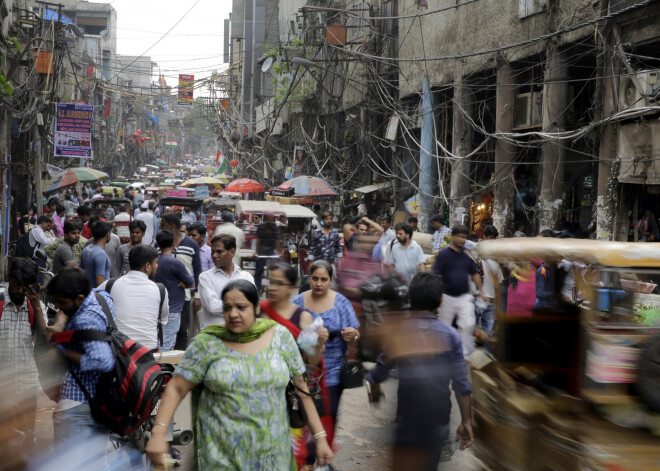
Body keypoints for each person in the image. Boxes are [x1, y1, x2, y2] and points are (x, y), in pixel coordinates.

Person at [145, 280, 334, 470]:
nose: (233, 313)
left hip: (273, 455)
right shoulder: (208, 342)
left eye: (241, 307)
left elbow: (301, 389)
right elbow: (177, 388)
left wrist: (320, 438)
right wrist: (159, 434)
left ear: (257, 307)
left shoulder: (280, 337)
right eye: (227, 308)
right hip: (220, 456)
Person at [366, 272, 473, 470]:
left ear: (410, 299)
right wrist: (466, 421)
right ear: (441, 301)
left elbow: (379, 371)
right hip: (438, 420)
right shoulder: (451, 336)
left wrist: (374, 388)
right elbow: (461, 385)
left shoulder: (400, 331)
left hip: (407, 420)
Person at [260, 262, 332, 469]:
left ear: (291, 287)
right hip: (258, 393)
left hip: (290, 395)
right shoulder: (257, 311)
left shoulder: (302, 317)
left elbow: (312, 363)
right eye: (269, 281)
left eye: (278, 283)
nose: (272, 287)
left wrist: (319, 343)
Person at [46, 267, 116, 462]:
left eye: (62, 303)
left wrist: (65, 352)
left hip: (77, 405)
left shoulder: (85, 319)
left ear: (79, 298)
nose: (59, 307)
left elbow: (104, 361)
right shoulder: (101, 298)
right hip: (97, 404)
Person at [292, 260, 360, 424]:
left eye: (324, 280)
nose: (318, 284)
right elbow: (288, 335)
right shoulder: (298, 303)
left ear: (331, 280)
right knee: (304, 418)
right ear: (309, 279)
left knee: (330, 415)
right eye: (315, 279)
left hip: (333, 373)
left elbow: (356, 332)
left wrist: (353, 335)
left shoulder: (341, 303)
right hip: (304, 371)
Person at [0, 258, 48, 448]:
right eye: (15, 285)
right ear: (9, 279)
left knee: (26, 440)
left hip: (26, 387)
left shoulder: (35, 307)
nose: (20, 291)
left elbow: (47, 340)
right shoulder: (1, 305)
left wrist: (36, 305)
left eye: (25, 287)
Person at [99, 245, 169, 351]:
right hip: (148, 352)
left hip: (119, 350)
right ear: (147, 266)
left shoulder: (109, 284)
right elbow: (163, 319)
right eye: (155, 262)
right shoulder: (160, 290)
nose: (157, 266)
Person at [431, 224, 486, 357]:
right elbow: (436, 275)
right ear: (453, 237)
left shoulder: (466, 255)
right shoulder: (443, 254)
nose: (462, 240)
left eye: (464, 237)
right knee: (445, 327)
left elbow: (475, 274)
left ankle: (465, 354)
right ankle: (442, 354)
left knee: (468, 324)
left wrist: (482, 291)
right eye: (460, 237)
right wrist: (438, 295)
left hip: (464, 296)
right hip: (446, 296)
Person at [160, 212, 201, 350]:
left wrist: (197, 294)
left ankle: (178, 361)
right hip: (162, 296)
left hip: (185, 297)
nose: (160, 228)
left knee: (182, 330)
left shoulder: (191, 244)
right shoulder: (160, 243)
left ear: (171, 227)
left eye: (163, 226)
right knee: (163, 332)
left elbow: (197, 269)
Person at [198, 234, 254, 330]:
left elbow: (253, 305)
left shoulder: (246, 277)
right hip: (215, 336)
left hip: (240, 335)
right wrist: (241, 304)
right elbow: (212, 307)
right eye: (212, 252)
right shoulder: (205, 277)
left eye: (219, 252)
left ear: (232, 252)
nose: (214, 256)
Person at [154, 231, 194, 351]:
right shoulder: (174, 262)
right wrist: (185, 285)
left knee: (164, 341)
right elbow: (190, 282)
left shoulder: (155, 261)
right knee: (166, 344)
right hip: (172, 308)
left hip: (158, 307)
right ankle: (161, 368)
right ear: (174, 243)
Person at [477, 225, 503, 335]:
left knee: (488, 329)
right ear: (484, 237)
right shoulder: (476, 253)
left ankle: (486, 349)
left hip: (491, 299)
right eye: (490, 238)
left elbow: (499, 281)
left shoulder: (498, 257)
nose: (491, 242)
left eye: (493, 239)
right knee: (471, 327)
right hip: (477, 297)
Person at [80, 219, 111, 287]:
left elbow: (81, 272)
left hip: (87, 291)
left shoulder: (86, 249)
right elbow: (100, 282)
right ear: (108, 234)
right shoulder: (100, 254)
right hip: (97, 294)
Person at [255, 212, 281, 292]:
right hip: (261, 250)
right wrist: (256, 251)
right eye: (269, 219)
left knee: (274, 267)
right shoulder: (261, 226)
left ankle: (274, 286)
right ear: (266, 219)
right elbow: (258, 239)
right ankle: (257, 288)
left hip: (271, 250)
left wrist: (278, 251)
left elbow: (277, 240)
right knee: (258, 270)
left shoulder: (275, 227)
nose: (270, 221)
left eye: (272, 219)